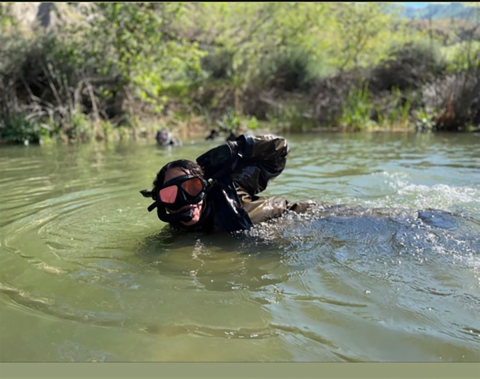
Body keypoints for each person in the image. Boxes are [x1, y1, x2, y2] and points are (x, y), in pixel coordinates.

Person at [140, 133, 314, 233]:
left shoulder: (232, 187)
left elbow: (280, 149)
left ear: (204, 187)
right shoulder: (177, 233)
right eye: (170, 195)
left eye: (191, 188)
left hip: (317, 218)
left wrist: (238, 147)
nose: (184, 201)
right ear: (163, 204)